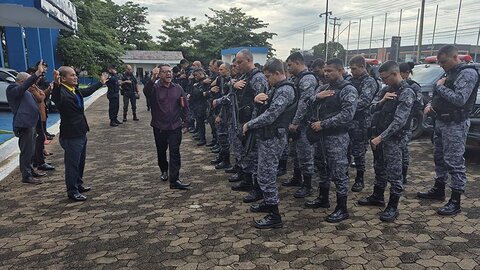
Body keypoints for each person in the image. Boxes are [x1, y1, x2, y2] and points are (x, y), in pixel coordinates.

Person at [418, 45, 479, 215]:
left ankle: (455, 200)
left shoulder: (467, 73)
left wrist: (439, 87)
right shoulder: (450, 72)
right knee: (439, 158)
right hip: (441, 121)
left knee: (455, 162)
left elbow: (459, 99)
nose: (442, 65)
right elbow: (439, 97)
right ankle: (439, 189)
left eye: (444, 61)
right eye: (440, 62)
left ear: (454, 57)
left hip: (455, 124)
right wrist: (431, 105)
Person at [358, 60, 416, 222]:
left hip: (394, 140)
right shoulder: (386, 89)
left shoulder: (407, 92)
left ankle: (393, 206)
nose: (383, 81)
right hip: (379, 138)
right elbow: (370, 109)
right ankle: (377, 196)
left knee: (395, 173)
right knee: (379, 167)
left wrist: (380, 137)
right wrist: (382, 101)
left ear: (395, 73)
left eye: (385, 78)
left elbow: (399, 121)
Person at [243, 58, 296, 229]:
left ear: (278, 73)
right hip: (267, 137)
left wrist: (249, 124)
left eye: (268, 76)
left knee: (267, 174)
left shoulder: (285, 90)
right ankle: (268, 202)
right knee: (262, 171)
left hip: (274, 137)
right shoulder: (277, 89)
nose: (267, 80)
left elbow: (271, 115)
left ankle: (275, 215)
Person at [304, 58, 358, 223]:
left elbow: (348, 115)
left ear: (340, 70)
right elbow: (306, 104)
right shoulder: (323, 88)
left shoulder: (348, 90)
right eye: (325, 71)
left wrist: (323, 124)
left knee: (339, 171)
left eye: (330, 71)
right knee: (322, 167)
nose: (326, 74)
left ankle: (342, 208)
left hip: (337, 137)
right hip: (320, 137)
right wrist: (317, 98)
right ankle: (323, 198)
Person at [51, 66, 108, 201]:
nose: (75, 77)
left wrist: (101, 83)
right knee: (72, 164)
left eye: (75, 74)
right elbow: (56, 97)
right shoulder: (61, 92)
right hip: (70, 135)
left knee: (80, 162)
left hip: (81, 132)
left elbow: (86, 91)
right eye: (72, 75)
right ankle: (72, 191)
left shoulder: (74, 90)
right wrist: (56, 85)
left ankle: (78, 184)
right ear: (63, 78)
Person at [143, 64, 192, 190]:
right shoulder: (155, 88)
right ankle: (164, 170)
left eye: (169, 71)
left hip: (175, 126)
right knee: (161, 150)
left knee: (175, 152)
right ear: (159, 74)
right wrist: (152, 78)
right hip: (159, 126)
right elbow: (146, 91)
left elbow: (185, 106)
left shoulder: (178, 88)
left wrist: (186, 122)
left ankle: (174, 180)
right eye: (164, 72)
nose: (168, 74)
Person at [230, 49, 268, 205]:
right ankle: (247, 181)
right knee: (246, 154)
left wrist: (252, 124)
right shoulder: (244, 77)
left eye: (240, 62)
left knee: (254, 157)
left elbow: (262, 103)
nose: (237, 65)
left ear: (249, 60)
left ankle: (256, 188)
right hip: (243, 121)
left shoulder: (258, 78)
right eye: (236, 62)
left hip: (253, 124)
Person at [282, 52, 318, 199]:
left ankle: (307, 184)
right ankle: (297, 178)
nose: (289, 68)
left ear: (297, 63)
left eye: (290, 65)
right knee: (295, 152)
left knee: (305, 153)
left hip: (304, 123)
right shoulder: (295, 78)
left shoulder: (307, 79)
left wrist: (295, 122)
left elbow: (304, 103)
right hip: (294, 123)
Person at [6, 62, 47, 184]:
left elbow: (38, 100)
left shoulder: (27, 92)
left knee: (31, 149)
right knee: (26, 151)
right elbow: (23, 87)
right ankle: (26, 175)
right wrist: (37, 73)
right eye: (29, 81)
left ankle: (30, 170)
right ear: (22, 81)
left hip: (32, 124)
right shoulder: (12, 89)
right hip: (24, 124)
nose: (33, 83)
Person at [347, 55, 380, 192]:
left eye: (354, 69)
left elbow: (364, 101)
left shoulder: (369, 82)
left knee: (359, 152)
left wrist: (346, 108)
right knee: (346, 150)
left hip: (361, 122)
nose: (352, 71)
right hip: (347, 121)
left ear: (362, 67)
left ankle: (359, 179)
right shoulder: (350, 80)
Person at [399, 62, 423, 183]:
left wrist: (406, 111)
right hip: (395, 122)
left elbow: (419, 104)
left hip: (406, 123)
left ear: (405, 73)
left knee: (403, 149)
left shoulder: (413, 86)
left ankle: (403, 175)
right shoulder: (394, 85)